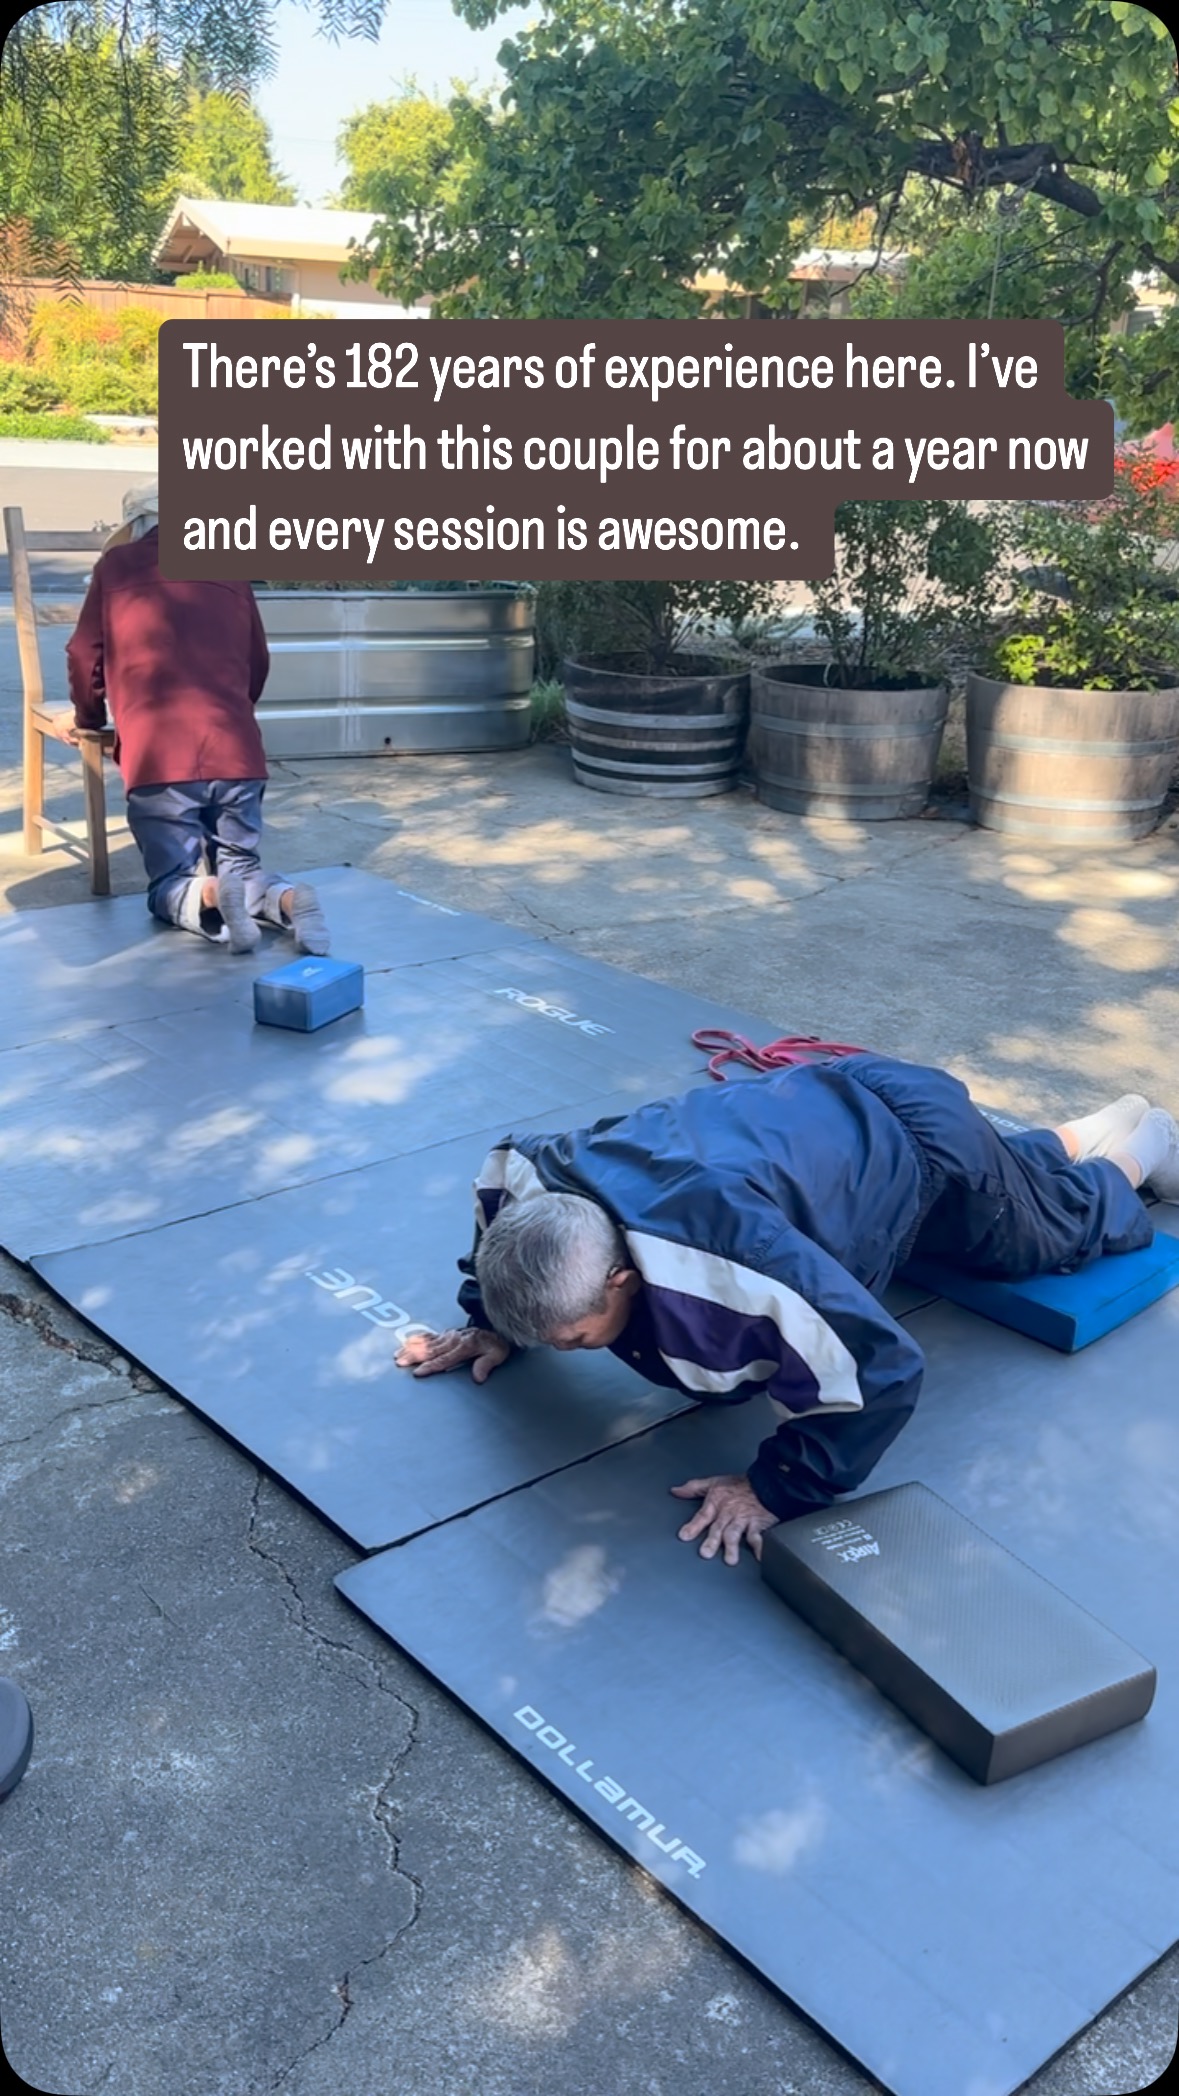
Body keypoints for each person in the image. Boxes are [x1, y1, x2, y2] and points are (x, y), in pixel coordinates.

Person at [397, 1054, 1179, 1566]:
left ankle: (1142, 1145)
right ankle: (1093, 1128)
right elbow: (497, 1230)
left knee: (1046, 1233)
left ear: (621, 1280)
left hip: (915, 1136)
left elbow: (881, 1368)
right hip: (815, 1107)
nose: (563, 1348)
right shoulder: (525, 1176)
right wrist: (488, 1321)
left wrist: (774, 1487)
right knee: (1006, 1184)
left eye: (572, 1337)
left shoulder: (736, 1266)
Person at [57, 483, 329, 956]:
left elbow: (84, 654)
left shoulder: (117, 565)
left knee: (169, 882)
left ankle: (208, 893)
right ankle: (287, 899)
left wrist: (88, 717)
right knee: (242, 865)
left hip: (159, 755)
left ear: (137, 526)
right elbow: (257, 659)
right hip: (237, 750)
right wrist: (234, 716)